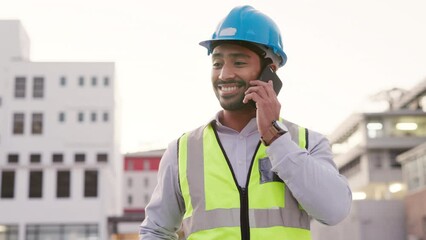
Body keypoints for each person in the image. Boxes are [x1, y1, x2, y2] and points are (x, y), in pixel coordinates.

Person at [139, 5, 352, 240]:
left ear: (270, 71)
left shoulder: (308, 142)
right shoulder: (182, 150)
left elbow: (334, 211)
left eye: (239, 63)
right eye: (217, 63)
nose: (224, 75)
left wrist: (276, 138)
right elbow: (155, 231)